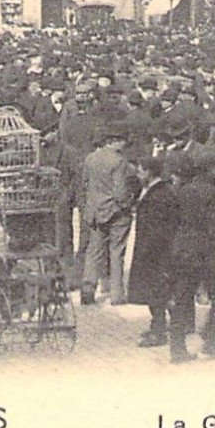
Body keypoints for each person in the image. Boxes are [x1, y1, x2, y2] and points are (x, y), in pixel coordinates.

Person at [167, 151, 215, 363]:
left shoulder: (181, 191)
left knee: (182, 297)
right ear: (211, 168)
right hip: (207, 251)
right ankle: (209, 339)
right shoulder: (211, 193)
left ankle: (177, 349)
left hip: (183, 250)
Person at [80, 127, 138, 306]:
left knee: (94, 251)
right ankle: (117, 294)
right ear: (114, 140)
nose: (125, 144)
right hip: (115, 212)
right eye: (122, 140)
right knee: (116, 251)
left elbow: (84, 184)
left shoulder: (90, 158)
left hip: (95, 212)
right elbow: (120, 192)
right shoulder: (119, 161)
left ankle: (88, 290)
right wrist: (129, 205)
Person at [128, 155, 180, 349]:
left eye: (141, 169)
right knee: (157, 292)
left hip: (155, 253)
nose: (138, 173)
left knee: (157, 293)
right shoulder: (152, 190)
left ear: (149, 172)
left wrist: (148, 251)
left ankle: (160, 332)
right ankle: (163, 326)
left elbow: (160, 229)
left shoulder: (159, 195)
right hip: (151, 250)